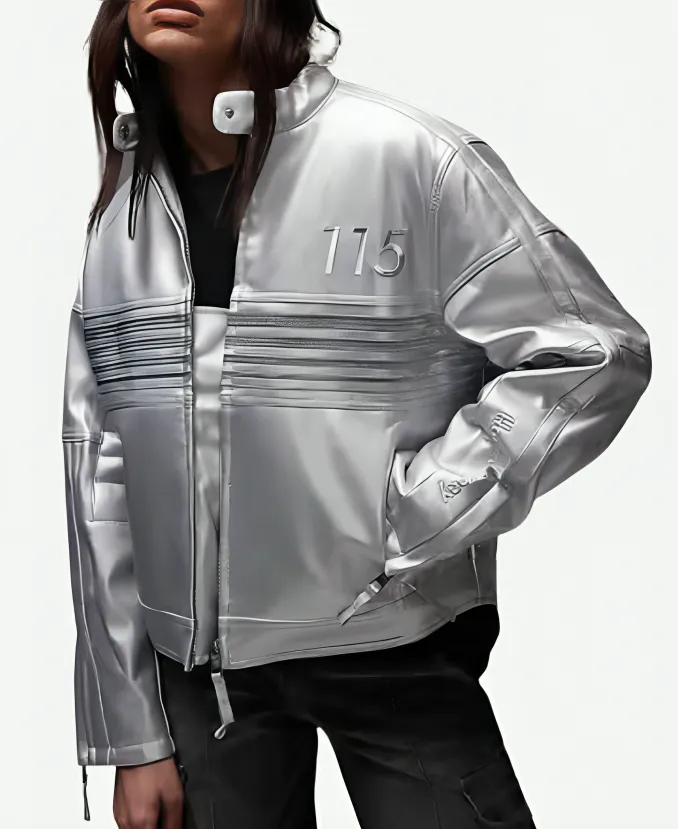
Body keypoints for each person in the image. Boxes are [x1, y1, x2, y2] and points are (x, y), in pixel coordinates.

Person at [61, 1, 652, 827]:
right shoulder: (125, 203)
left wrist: (416, 516)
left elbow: (590, 351)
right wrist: (132, 734)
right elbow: (99, 466)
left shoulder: (409, 157)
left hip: (391, 643)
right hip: (200, 680)